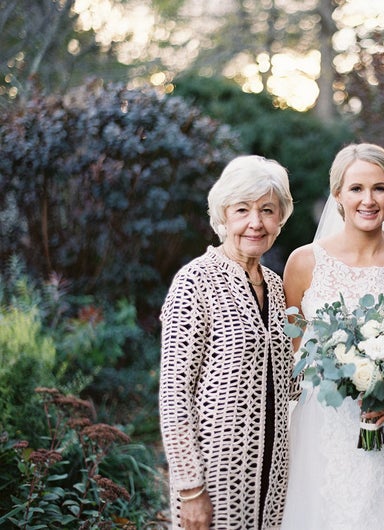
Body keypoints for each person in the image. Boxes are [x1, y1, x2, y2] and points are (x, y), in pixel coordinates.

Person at [281, 143, 384, 529]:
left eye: (379, 188)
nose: (368, 199)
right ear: (338, 196)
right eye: (356, 189)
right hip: (323, 426)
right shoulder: (303, 262)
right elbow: (294, 355)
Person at [159, 155, 296, 530]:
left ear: (280, 219)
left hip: (275, 475)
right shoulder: (194, 282)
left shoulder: (278, 287)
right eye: (242, 210)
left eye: (268, 210)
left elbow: (288, 382)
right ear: (223, 216)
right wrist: (190, 489)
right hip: (216, 482)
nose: (256, 223)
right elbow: (174, 396)